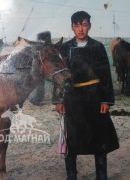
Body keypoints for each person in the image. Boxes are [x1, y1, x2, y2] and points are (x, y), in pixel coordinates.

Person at [52, 11, 119, 180]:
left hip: (95, 99)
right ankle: (71, 174)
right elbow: (58, 76)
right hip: (72, 99)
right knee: (72, 138)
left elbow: (105, 76)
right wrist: (58, 100)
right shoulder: (65, 48)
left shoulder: (98, 47)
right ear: (72, 28)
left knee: (99, 136)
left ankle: (101, 174)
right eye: (77, 25)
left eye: (84, 25)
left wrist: (106, 100)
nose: (80, 29)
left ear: (89, 26)